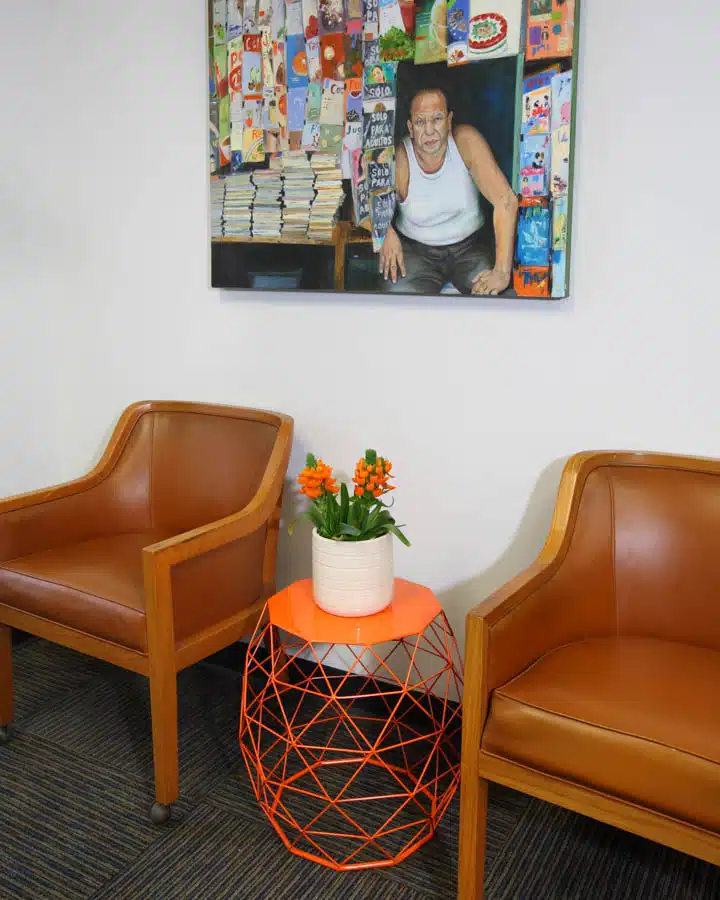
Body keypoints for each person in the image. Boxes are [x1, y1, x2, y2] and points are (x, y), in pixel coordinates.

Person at [380, 87, 518, 295]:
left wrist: (501, 271)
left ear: (449, 120)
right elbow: (362, 205)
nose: (429, 131)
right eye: (420, 122)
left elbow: (505, 200)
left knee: (494, 297)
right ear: (410, 128)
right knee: (400, 304)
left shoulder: (465, 141)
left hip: (471, 250)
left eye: (436, 119)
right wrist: (384, 232)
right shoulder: (401, 158)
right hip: (417, 253)